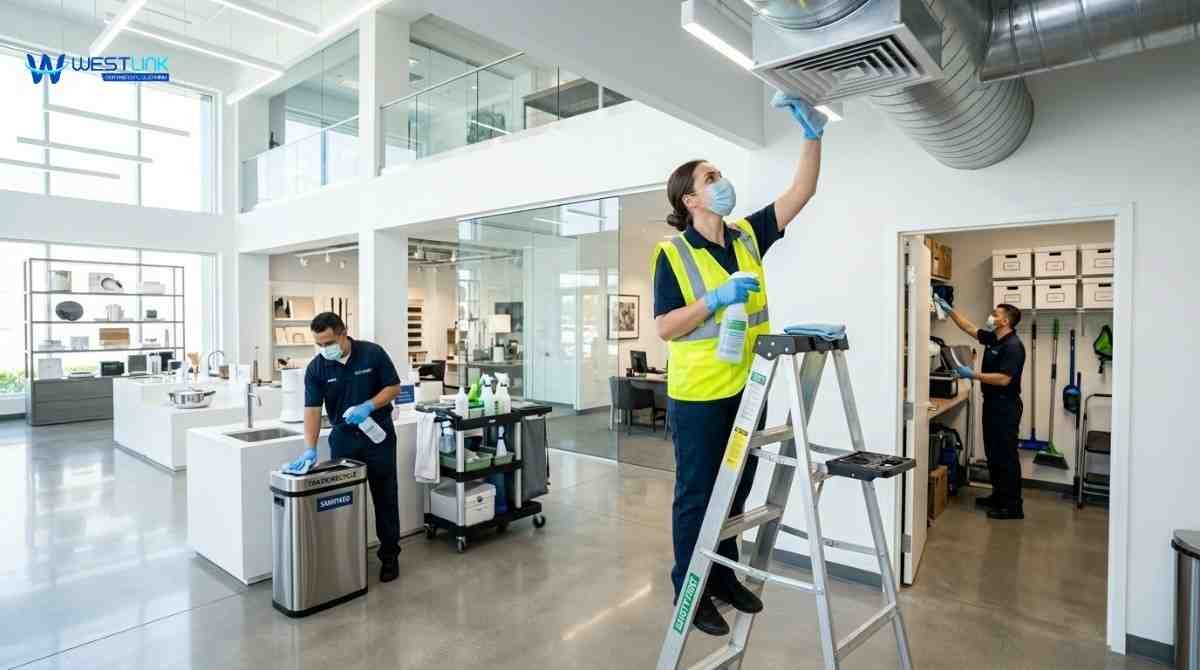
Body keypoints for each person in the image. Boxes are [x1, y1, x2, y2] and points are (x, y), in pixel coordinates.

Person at [653, 93, 826, 636]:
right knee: (697, 495)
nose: (722, 181)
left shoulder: (747, 235)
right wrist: (717, 299)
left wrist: (813, 134)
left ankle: (723, 575)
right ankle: (690, 587)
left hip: (749, 390)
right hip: (700, 395)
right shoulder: (673, 253)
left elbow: (802, 192)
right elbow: (664, 326)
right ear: (690, 197)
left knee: (739, 488)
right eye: (712, 176)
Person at [284, 312, 404, 582]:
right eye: (319, 345)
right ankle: (348, 557)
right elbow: (312, 410)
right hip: (344, 440)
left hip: (378, 437)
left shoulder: (372, 354)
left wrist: (369, 406)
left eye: (328, 342)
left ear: (343, 332)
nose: (325, 349)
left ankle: (389, 556)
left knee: (385, 497)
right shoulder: (317, 368)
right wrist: (309, 449)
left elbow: (394, 387)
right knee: (345, 501)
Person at [934, 297, 1027, 520]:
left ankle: (1013, 506)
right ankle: (998, 496)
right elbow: (969, 328)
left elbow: (1004, 379)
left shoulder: (1013, 346)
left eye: (995, 314)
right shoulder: (994, 338)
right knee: (993, 453)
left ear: (1005, 321)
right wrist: (951, 311)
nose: (991, 316)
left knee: (1006, 455)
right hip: (993, 403)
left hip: (1006, 406)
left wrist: (972, 374)